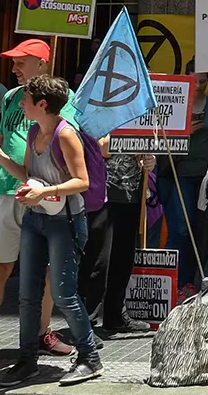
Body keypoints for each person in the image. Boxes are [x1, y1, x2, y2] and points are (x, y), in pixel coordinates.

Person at [0, 75, 101, 385]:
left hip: (66, 222)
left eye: (27, 99)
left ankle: (89, 356)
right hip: (35, 219)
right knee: (26, 295)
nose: (21, 103)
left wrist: (45, 192)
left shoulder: (66, 135)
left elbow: (82, 181)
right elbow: (26, 173)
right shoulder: (35, 130)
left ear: (42, 104)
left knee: (63, 293)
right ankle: (26, 360)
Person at [0, 39, 62, 370]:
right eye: (12, 62)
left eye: (20, 61)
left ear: (41, 63)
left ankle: (42, 333)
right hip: (5, 191)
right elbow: (6, 137)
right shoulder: (11, 97)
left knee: (50, 272)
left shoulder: (62, 101)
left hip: (42, 195)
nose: (13, 67)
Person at [78, 141, 155, 335]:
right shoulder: (101, 112)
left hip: (132, 194)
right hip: (103, 195)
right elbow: (102, 147)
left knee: (123, 259)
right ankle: (86, 320)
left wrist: (150, 159)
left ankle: (115, 315)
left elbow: (150, 149)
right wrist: (131, 142)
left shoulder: (137, 118)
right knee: (99, 261)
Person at [157, 72, 208, 297]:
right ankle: (169, 281)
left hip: (207, 177)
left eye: (203, 81)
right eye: (195, 81)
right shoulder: (173, 105)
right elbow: (158, 138)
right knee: (180, 229)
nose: (199, 86)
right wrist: (183, 133)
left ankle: (188, 281)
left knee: (200, 231)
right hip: (178, 173)